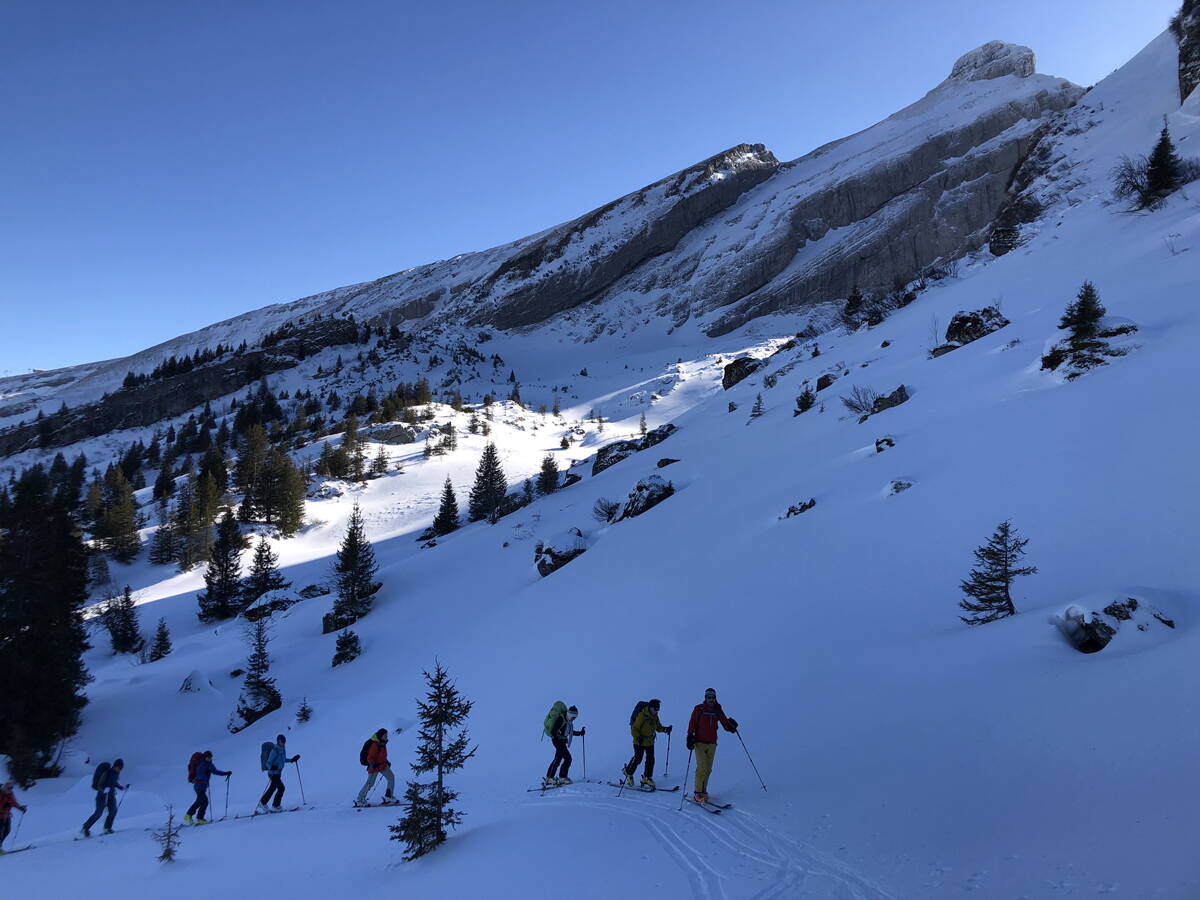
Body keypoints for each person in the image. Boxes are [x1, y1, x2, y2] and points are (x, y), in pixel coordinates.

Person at [686, 688, 738, 803]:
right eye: (709, 697)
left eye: (713, 697)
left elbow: (725, 723)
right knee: (701, 767)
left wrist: (731, 727)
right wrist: (689, 736)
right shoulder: (699, 709)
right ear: (705, 698)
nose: (711, 699)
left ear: (715, 698)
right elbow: (692, 723)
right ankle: (697, 792)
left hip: (712, 743)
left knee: (708, 769)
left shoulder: (717, 710)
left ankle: (704, 790)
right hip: (699, 742)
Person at [623, 699, 672, 788]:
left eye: (658, 709)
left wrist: (665, 729)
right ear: (650, 708)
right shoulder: (642, 715)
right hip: (639, 742)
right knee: (638, 759)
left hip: (650, 742)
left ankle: (647, 777)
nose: (657, 711)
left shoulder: (655, 716)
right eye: (655, 709)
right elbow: (634, 729)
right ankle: (628, 772)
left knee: (651, 760)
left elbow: (658, 727)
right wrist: (638, 737)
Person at [82, 758, 128, 836]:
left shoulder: (116, 774)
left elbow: (114, 783)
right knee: (98, 813)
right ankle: (85, 828)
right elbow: (99, 785)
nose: (120, 770)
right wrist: (104, 790)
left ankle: (108, 828)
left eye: (121, 768)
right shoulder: (107, 773)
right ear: (115, 766)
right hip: (102, 796)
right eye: (120, 768)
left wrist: (122, 787)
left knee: (113, 811)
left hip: (111, 796)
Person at [184, 750, 231, 825]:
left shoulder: (209, 764)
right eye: (207, 757)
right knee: (204, 802)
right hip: (198, 786)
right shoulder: (201, 764)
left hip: (203, 786)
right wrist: (206, 773)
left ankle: (188, 815)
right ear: (204, 757)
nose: (209, 759)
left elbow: (215, 771)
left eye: (210, 758)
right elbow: (199, 775)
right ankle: (200, 818)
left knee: (199, 801)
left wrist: (225, 773)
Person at [544, 704, 585, 787]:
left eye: (575, 717)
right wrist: (557, 739)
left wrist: (580, 733)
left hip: (561, 741)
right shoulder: (561, 719)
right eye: (574, 717)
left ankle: (549, 778)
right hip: (558, 741)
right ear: (571, 715)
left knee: (558, 759)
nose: (574, 719)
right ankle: (562, 777)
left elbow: (569, 732)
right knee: (568, 758)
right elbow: (554, 731)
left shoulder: (568, 721)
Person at [257, 735, 300, 813]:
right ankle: (275, 806)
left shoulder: (282, 749)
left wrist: (291, 760)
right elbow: (268, 763)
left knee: (272, 788)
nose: (283, 743)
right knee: (281, 788)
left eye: (284, 741)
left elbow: (282, 760)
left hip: (278, 773)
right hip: (272, 773)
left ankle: (263, 803)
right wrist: (271, 767)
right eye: (281, 741)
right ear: (278, 741)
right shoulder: (275, 750)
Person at [354, 728, 397, 807]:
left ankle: (388, 797)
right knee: (370, 783)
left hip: (383, 765)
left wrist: (386, 761)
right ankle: (359, 800)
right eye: (385, 735)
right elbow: (370, 758)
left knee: (391, 777)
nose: (387, 736)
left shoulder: (383, 743)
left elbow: (382, 755)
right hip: (374, 767)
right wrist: (373, 764)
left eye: (387, 735)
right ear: (381, 736)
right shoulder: (375, 745)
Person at [0, 782, 28, 853]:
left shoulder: (10, 794)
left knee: (7, 831)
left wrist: (20, 808)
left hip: (6, 816)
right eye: (9, 788)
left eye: (11, 788)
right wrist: (3, 807)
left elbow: (13, 802)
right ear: (5, 788)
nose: (10, 789)